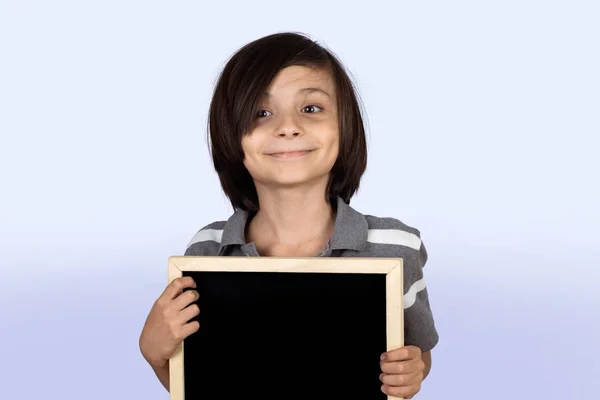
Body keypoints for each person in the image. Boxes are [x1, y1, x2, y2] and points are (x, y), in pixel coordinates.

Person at [139, 32, 439, 399]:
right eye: (261, 113)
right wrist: (154, 354)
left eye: (311, 108)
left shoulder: (396, 245)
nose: (288, 126)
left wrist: (413, 371)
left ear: (345, 126)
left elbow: (417, 352)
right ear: (232, 136)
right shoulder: (206, 251)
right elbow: (204, 380)